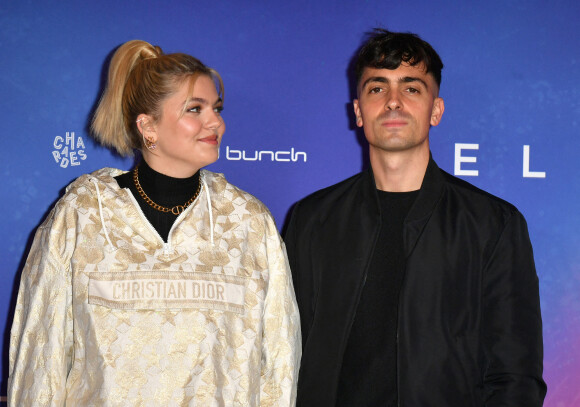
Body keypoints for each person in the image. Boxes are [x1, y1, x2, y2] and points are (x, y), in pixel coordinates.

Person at [9, 40, 300, 406]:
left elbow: (278, 363)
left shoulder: (248, 221)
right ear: (148, 126)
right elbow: (40, 356)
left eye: (217, 108)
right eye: (195, 109)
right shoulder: (82, 215)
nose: (216, 122)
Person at [284, 29, 546, 406]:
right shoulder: (313, 219)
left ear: (435, 110)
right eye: (377, 89)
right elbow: (285, 352)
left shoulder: (493, 224)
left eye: (411, 88)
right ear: (358, 111)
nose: (393, 102)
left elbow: (516, 376)